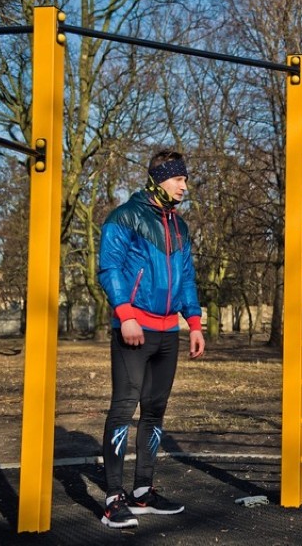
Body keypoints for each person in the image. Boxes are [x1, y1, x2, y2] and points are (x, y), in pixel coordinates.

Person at [97, 149, 205, 528]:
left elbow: (187, 277)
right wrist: (125, 314)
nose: (184, 185)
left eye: (185, 179)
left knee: (154, 410)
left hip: (168, 332)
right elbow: (109, 267)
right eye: (179, 179)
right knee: (124, 408)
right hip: (134, 328)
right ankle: (113, 499)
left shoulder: (181, 227)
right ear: (160, 178)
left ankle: (142, 491)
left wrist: (194, 322)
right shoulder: (125, 217)